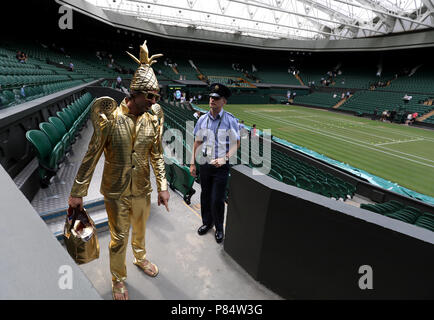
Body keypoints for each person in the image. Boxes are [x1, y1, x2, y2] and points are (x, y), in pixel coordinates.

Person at [68, 41, 170, 300]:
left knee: (139, 228)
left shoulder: (152, 120)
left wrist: (163, 187)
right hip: (115, 190)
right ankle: (118, 278)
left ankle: (140, 257)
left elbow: (157, 155)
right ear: (134, 93)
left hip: (142, 188)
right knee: (119, 237)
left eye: (156, 97)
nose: (153, 102)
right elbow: (91, 156)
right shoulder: (111, 119)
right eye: (149, 96)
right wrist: (77, 192)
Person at [190, 83, 240, 244]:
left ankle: (219, 228)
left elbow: (236, 143)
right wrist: (192, 163)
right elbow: (197, 142)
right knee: (205, 196)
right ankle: (207, 223)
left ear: (224, 101)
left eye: (217, 98)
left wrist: (225, 158)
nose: (212, 100)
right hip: (205, 164)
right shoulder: (202, 119)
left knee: (217, 199)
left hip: (221, 167)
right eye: (211, 97)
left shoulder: (230, 120)